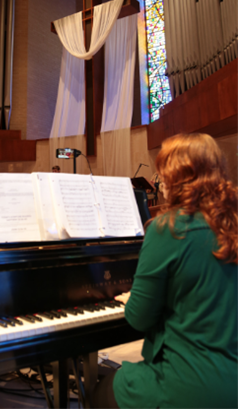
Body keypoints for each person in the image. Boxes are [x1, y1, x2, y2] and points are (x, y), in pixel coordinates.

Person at [90, 133, 238, 409]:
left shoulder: (168, 229)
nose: (160, 183)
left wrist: (133, 299)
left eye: (162, 176)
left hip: (189, 385)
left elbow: (140, 318)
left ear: (176, 178)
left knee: (101, 391)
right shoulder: (233, 224)